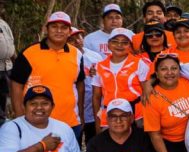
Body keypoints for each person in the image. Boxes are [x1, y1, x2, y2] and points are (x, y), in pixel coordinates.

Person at [9, 11, 85, 141]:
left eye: (63, 27)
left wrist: (81, 117)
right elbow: (16, 85)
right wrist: (20, 118)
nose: (59, 31)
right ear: (46, 29)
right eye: (54, 27)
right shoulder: (29, 53)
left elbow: (80, 84)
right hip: (36, 123)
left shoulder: (77, 54)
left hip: (70, 123)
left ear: (69, 31)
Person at [91, 27, 149, 128]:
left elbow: (146, 91)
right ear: (108, 44)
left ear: (130, 46)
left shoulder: (139, 63)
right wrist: (97, 121)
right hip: (110, 112)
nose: (119, 45)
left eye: (124, 42)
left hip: (136, 113)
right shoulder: (99, 66)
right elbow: (96, 97)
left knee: (139, 142)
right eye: (115, 41)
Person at [0, 11, 13, 121]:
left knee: (4, 95)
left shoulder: (3, 24)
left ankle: (3, 118)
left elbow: (11, 44)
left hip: (6, 67)